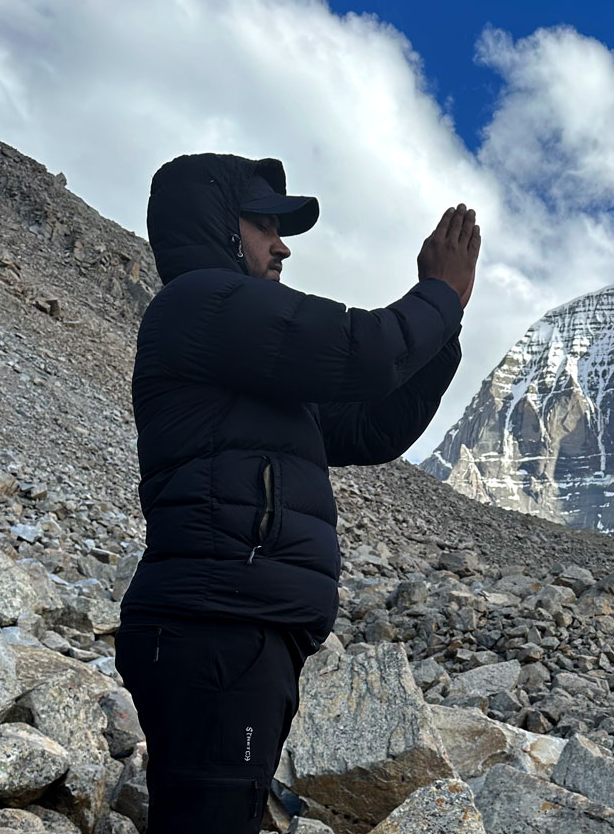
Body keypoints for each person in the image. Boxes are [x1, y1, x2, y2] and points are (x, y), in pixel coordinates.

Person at [114, 152, 479, 833]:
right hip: (218, 627)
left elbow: (372, 426)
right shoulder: (206, 304)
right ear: (219, 226)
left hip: (233, 631)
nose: (282, 245)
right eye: (262, 224)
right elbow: (366, 350)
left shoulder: (243, 349)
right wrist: (439, 294)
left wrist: (447, 325)